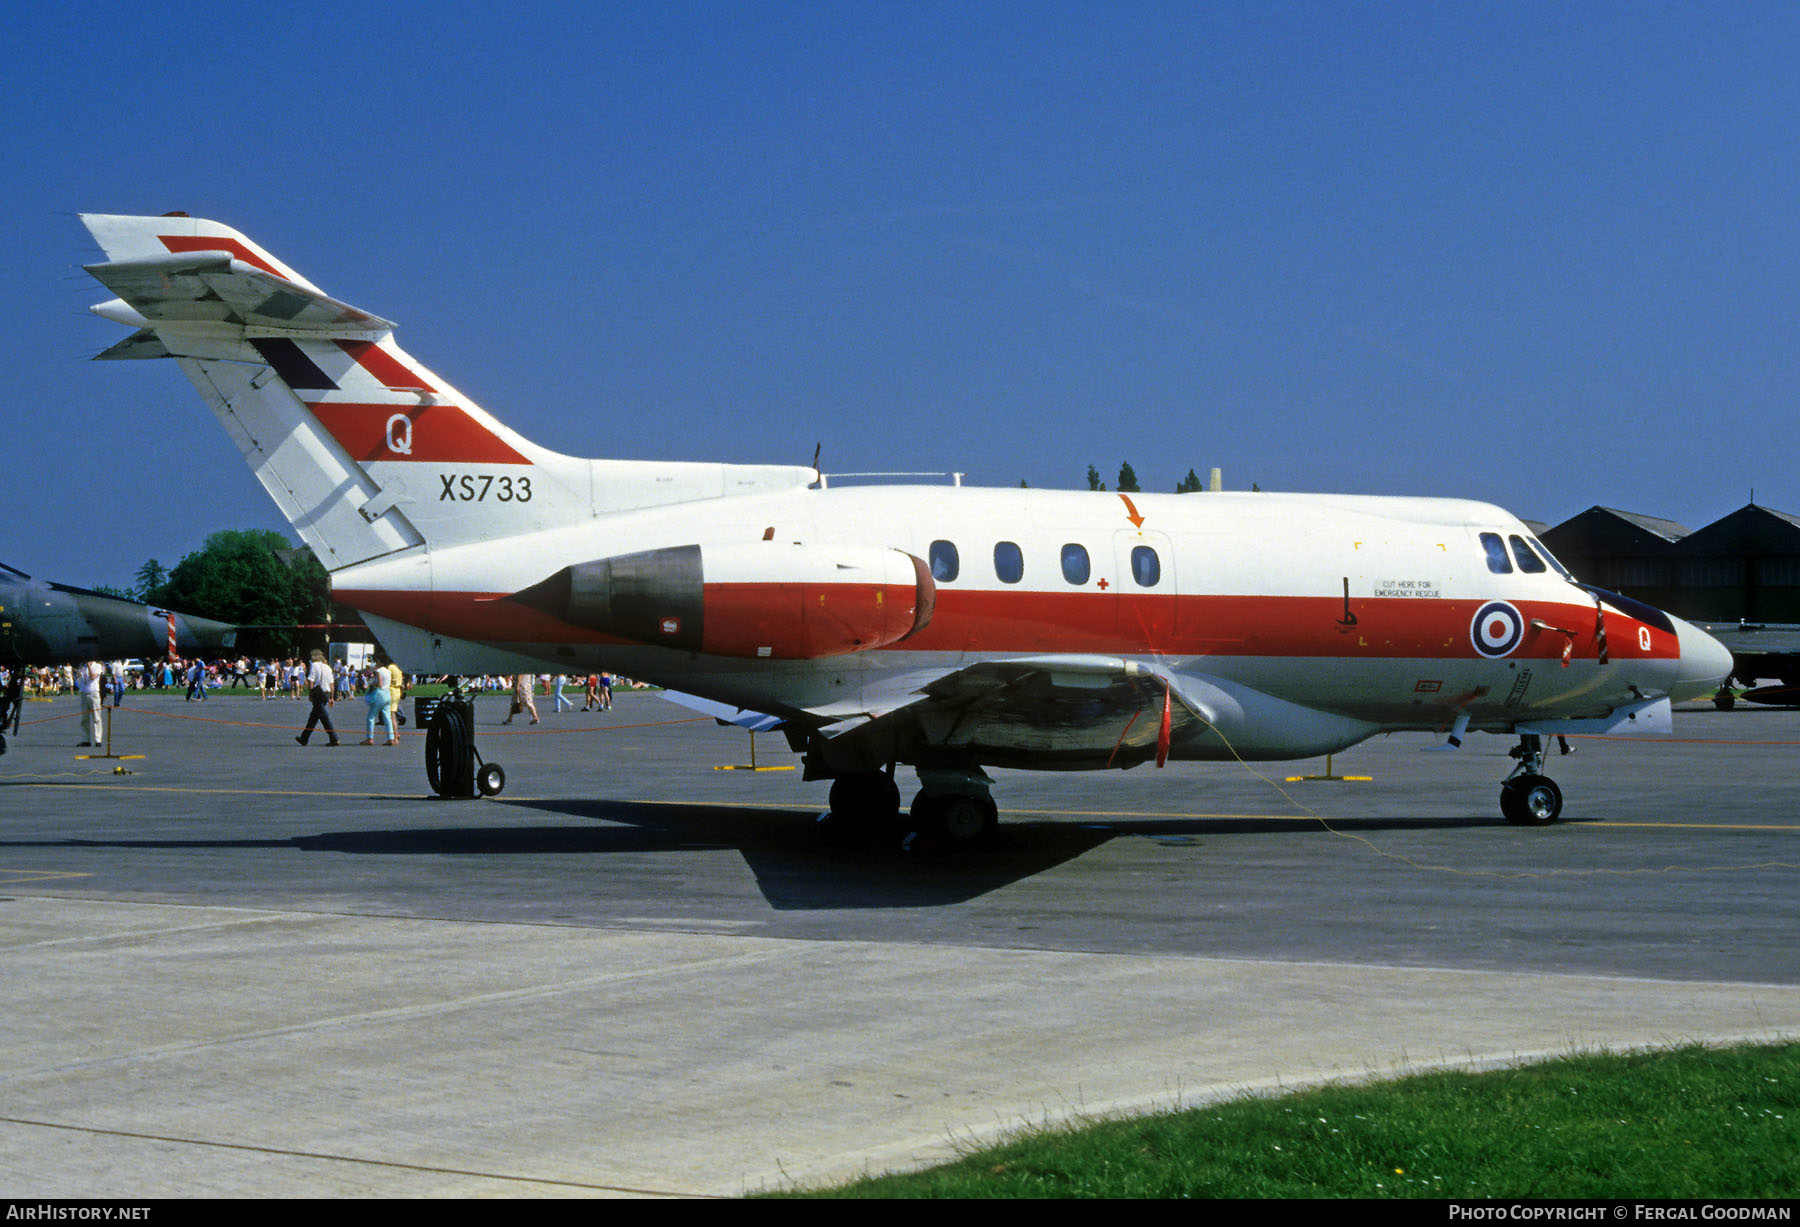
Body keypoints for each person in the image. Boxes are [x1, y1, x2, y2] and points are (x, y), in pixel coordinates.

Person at [296, 649, 340, 746]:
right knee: (314, 717)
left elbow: (311, 680)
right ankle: (304, 738)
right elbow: (332, 684)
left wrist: (310, 694)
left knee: (324, 717)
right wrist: (332, 697)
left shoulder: (314, 666)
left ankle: (334, 738)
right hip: (326, 693)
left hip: (318, 693)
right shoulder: (328, 667)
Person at [361, 657, 395, 745]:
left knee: (371, 717)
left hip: (380, 693)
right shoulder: (388, 671)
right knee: (387, 717)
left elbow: (379, 683)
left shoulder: (379, 671)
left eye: (376, 661)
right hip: (387, 693)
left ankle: (370, 738)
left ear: (380, 662)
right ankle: (390, 738)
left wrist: (370, 683)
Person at [76, 660, 103, 747]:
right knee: (84, 719)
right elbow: (78, 677)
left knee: (96, 718)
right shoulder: (83, 667)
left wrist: (89, 666)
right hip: (84, 694)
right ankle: (86, 740)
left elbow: (92, 677)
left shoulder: (97, 666)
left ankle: (98, 740)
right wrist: (80, 668)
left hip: (93, 693)